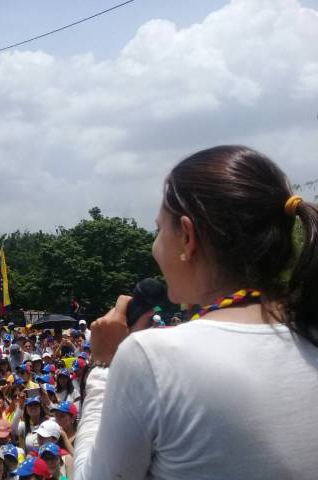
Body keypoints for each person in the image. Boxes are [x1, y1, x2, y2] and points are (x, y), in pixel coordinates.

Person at [74, 146, 318, 479]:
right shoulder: (310, 331)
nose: (155, 245)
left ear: (187, 236)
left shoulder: (152, 357)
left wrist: (103, 366)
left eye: (159, 228)